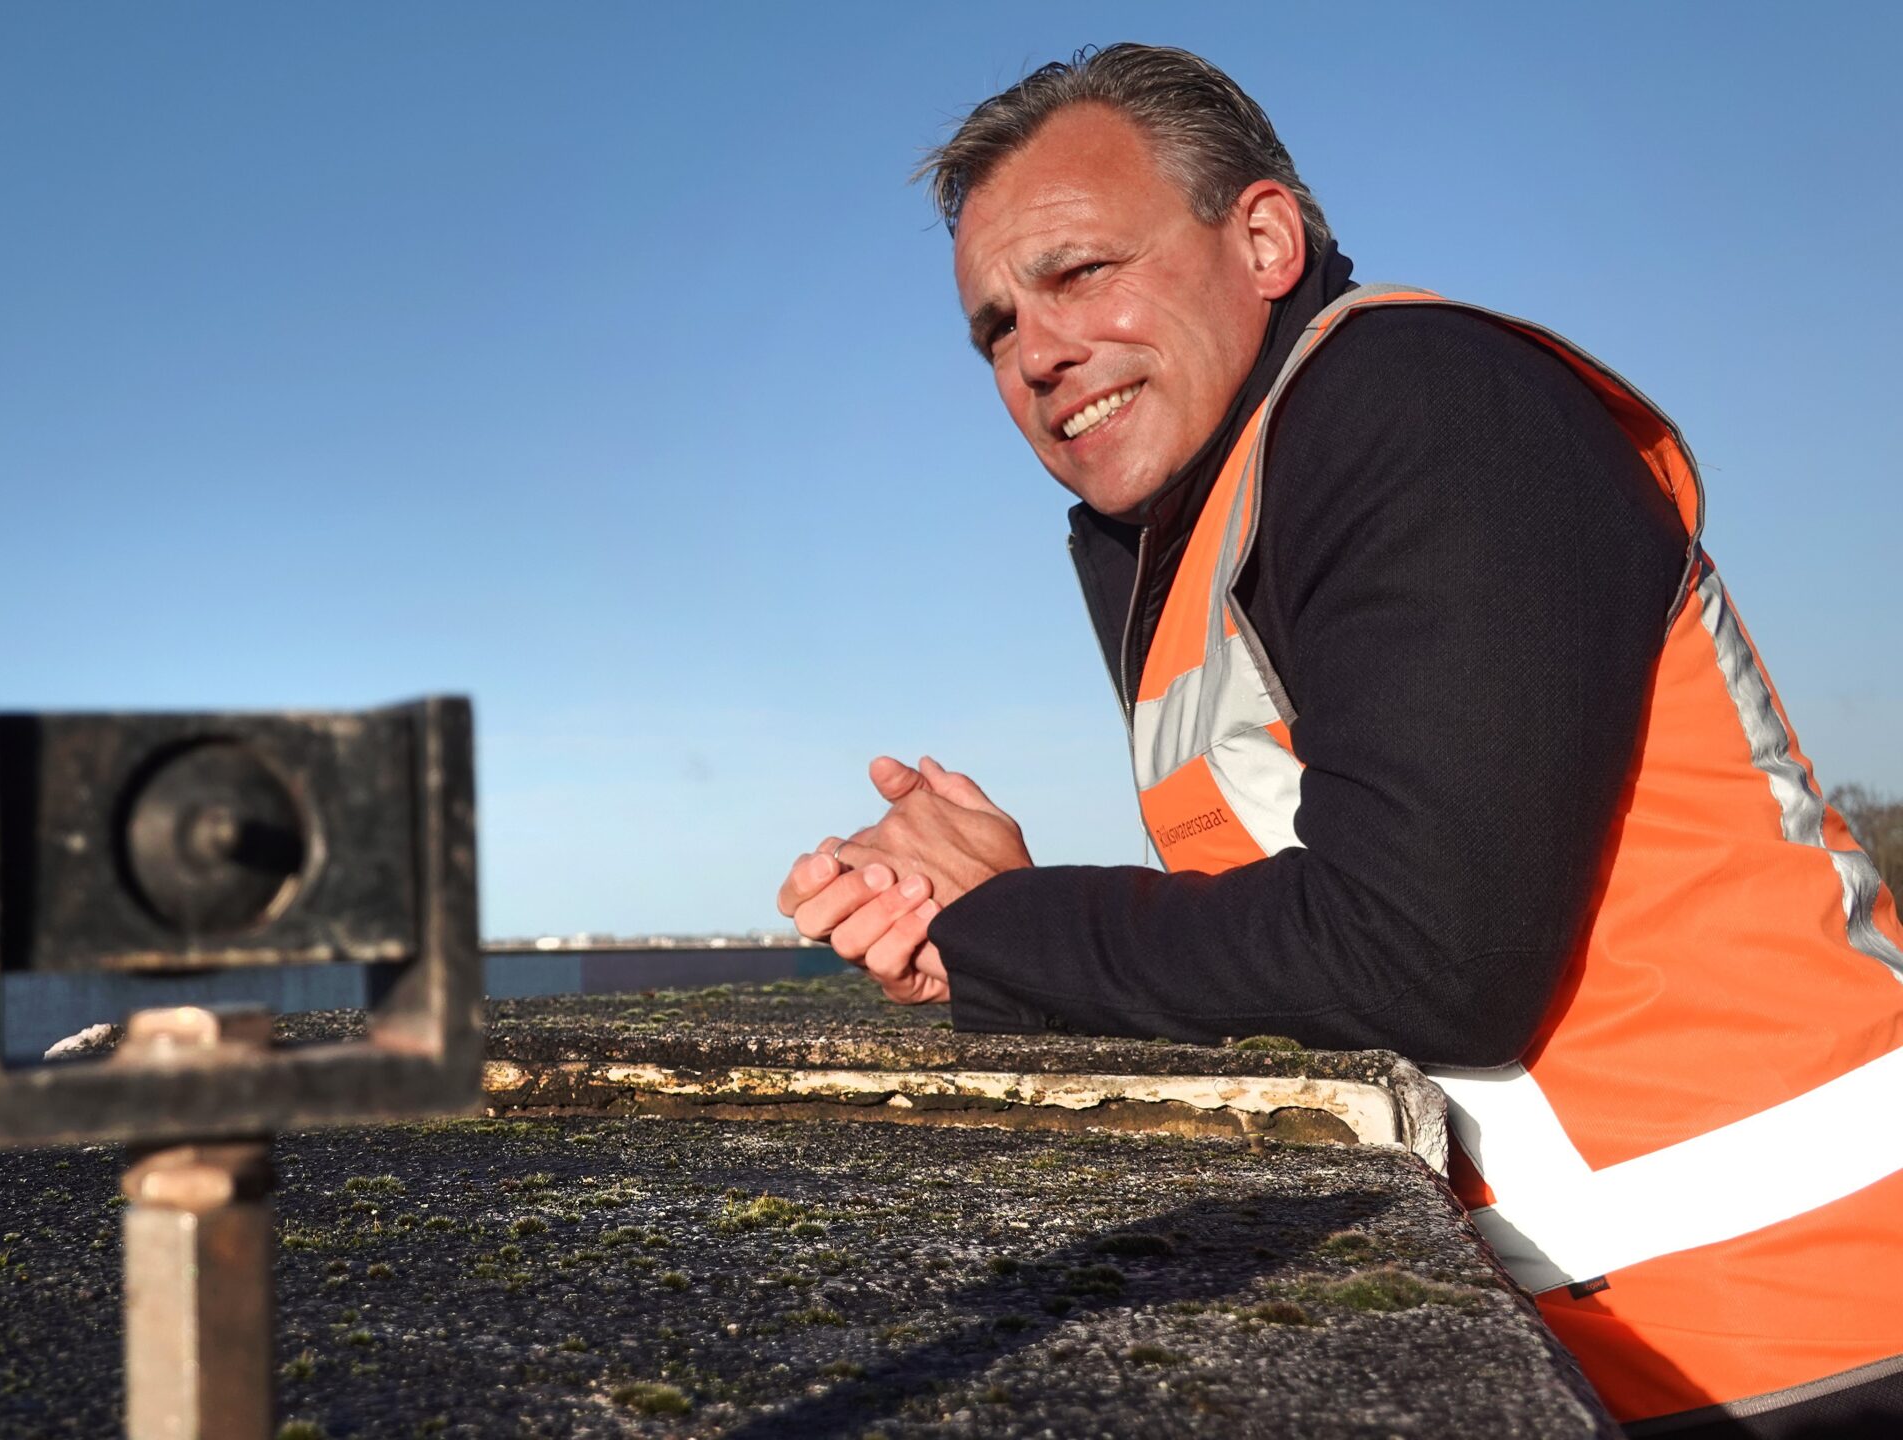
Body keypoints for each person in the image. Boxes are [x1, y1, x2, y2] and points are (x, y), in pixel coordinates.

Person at [776, 43, 1903, 1437]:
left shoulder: (1415, 401)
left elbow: (1425, 956)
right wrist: (1010, 898)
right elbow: (1316, 912)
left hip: (1814, 1324)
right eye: (996, 325)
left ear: (1262, 238)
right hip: (1619, 1334)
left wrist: (1005, 924)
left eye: (1080, 273)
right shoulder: (1205, 522)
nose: (1038, 351)